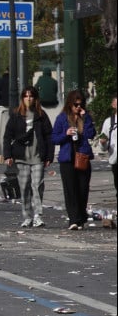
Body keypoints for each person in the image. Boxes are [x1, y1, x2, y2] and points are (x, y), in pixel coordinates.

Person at [2, 86, 54, 228]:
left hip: (38, 157)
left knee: (37, 186)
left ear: (35, 98)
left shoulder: (41, 115)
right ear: (22, 98)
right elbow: (7, 136)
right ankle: (27, 216)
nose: (28, 99)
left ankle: (38, 215)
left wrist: (49, 155)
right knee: (24, 187)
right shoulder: (16, 115)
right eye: (26, 96)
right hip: (21, 157)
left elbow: (49, 136)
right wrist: (7, 155)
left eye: (31, 96)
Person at [50, 90, 95, 229]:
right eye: (75, 105)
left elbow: (91, 134)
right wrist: (66, 134)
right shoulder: (62, 118)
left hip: (82, 157)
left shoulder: (85, 117)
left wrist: (85, 118)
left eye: (80, 105)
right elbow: (54, 138)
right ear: (70, 104)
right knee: (70, 190)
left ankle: (81, 217)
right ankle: (74, 219)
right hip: (67, 158)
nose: (78, 107)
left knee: (83, 189)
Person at [99, 96, 117, 197]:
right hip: (115, 159)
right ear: (113, 105)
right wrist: (102, 142)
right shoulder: (108, 122)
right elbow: (103, 146)